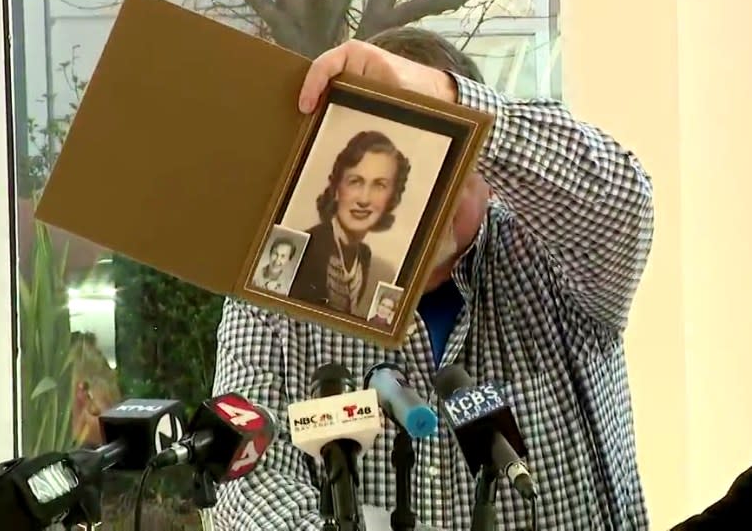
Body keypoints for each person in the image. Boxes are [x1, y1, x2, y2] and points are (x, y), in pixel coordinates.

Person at [211, 26, 653, 530]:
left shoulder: (548, 257)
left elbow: (624, 202)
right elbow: (245, 483)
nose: (420, 204)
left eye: (447, 170)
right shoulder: (279, 290)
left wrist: (445, 98)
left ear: (489, 172)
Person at [288, 130, 411, 318]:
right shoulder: (306, 248)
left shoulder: (363, 256)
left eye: (379, 185)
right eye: (355, 181)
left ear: (391, 198)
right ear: (337, 188)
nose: (364, 199)